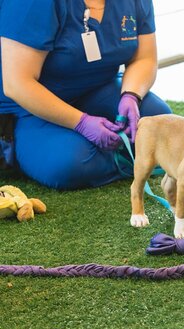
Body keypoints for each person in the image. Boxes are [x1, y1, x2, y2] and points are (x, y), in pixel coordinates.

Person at [0, 0, 171, 189]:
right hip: (25, 109)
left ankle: (119, 154)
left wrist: (131, 95)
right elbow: (17, 84)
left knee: (161, 124)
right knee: (69, 163)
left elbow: (144, 58)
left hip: (97, 87)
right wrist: (81, 122)